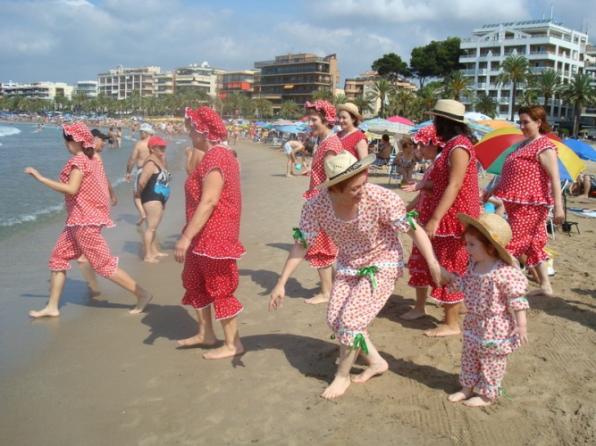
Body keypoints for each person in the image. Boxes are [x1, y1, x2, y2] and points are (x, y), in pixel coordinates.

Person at [269, 151, 443, 400]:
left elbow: (412, 229)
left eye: (363, 183)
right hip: (349, 264)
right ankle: (376, 362)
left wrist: (433, 263)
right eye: (354, 189)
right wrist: (281, 282)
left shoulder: (379, 198)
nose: (362, 191)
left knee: (350, 322)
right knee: (335, 320)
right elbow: (301, 243)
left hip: (382, 263)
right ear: (334, 190)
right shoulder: (317, 206)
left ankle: (342, 375)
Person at [23, 122, 152, 318]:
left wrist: (41, 178)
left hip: (84, 222)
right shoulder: (94, 158)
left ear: (76, 142)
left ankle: (142, 293)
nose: (66, 144)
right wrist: (110, 196)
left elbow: (71, 189)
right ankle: (52, 306)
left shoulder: (80, 161)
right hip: (79, 220)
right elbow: (99, 182)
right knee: (58, 258)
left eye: (67, 140)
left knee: (103, 265)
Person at [401, 100, 480, 337]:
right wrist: (426, 186)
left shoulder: (458, 147)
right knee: (445, 262)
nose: (434, 125)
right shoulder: (453, 145)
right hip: (449, 214)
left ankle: (452, 323)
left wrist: (435, 218)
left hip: (452, 217)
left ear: (443, 122)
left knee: (450, 264)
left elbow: (455, 184)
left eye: (436, 120)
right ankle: (449, 317)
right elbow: (446, 183)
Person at [175, 106, 245, 360]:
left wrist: (184, 237)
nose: (188, 132)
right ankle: (206, 333)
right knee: (194, 280)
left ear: (201, 131)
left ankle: (233, 343)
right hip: (201, 233)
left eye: (190, 128)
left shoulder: (217, 157)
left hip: (215, 234)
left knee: (219, 286)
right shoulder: (213, 156)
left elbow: (209, 201)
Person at [444, 213, 529, 407]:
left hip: (495, 324)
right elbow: (466, 281)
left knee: (492, 361)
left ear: (490, 247)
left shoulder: (504, 272)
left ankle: (487, 395)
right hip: (474, 321)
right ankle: (467, 388)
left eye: (472, 244)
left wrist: (521, 325)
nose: (467, 248)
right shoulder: (474, 265)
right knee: (469, 355)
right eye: (466, 243)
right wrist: (454, 283)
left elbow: (517, 299)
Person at [488, 106, 564, 296]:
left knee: (510, 245)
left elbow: (555, 178)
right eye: (520, 122)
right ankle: (545, 285)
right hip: (518, 204)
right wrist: (491, 190)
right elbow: (510, 176)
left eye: (526, 122)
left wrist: (559, 208)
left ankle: (513, 284)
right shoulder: (523, 145)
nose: (521, 126)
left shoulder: (544, 145)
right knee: (532, 245)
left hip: (531, 205)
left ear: (539, 123)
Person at [301, 100, 344, 305]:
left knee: (320, 245)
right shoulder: (326, 141)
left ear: (326, 120)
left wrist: (317, 197)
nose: (311, 123)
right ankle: (333, 287)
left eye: (314, 119)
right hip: (322, 200)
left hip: (323, 202)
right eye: (310, 119)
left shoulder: (330, 143)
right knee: (322, 244)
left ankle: (326, 291)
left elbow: (333, 177)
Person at [136, 135, 171, 263]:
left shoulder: (158, 160)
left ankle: (154, 251)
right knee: (151, 227)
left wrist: (163, 158)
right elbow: (141, 182)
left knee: (154, 227)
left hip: (159, 197)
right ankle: (148, 255)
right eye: (160, 147)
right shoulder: (150, 162)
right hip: (151, 197)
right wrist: (140, 197)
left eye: (164, 147)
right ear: (152, 148)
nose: (163, 149)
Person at [125, 123, 154, 225]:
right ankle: (152, 215)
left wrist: (128, 172)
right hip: (155, 171)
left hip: (142, 170)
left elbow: (132, 159)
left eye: (141, 132)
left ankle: (143, 214)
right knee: (151, 194)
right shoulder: (156, 144)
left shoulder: (140, 144)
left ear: (145, 133)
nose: (140, 134)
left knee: (137, 195)